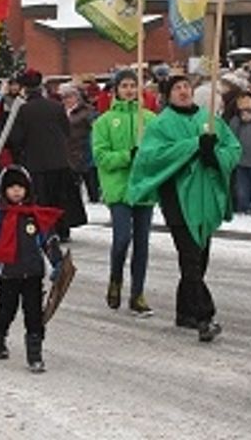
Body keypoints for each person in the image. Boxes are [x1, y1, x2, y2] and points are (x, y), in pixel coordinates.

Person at [128, 74, 240, 342]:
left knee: (199, 260)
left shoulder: (209, 119)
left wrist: (214, 155)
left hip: (206, 198)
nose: (183, 91)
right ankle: (204, 316)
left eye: (186, 87)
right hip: (177, 199)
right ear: (168, 95)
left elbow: (233, 149)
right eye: (177, 88)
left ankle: (185, 312)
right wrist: (193, 146)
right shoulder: (161, 123)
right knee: (190, 259)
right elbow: (152, 157)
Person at [0, 165, 64, 373]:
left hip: (33, 272)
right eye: (11, 187)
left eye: (21, 187)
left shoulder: (35, 215)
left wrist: (57, 262)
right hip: (9, 273)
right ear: (3, 191)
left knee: (34, 312)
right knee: (7, 309)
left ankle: (35, 353)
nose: (16, 191)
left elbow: (48, 240)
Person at [91, 69, 156, 316]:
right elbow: (100, 156)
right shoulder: (104, 121)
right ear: (116, 90)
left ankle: (137, 293)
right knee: (122, 239)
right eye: (124, 86)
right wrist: (127, 156)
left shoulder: (149, 119)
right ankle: (115, 278)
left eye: (133, 85)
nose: (129, 90)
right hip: (118, 188)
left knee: (142, 243)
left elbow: (159, 151)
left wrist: (147, 158)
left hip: (144, 188)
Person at [8, 69, 86, 240]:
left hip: (36, 162)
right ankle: (63, 229)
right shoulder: (56, 106)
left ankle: (47, 231)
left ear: (25, 89)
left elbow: (16, 138)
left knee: (42, 200)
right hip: (59, 160)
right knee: (59, 198)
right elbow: (66, 131)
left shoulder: (23, 111)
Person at [61, 83, 100, 203]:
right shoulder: (60, 111)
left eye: (70, 97)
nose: (67, 100)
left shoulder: (87, 111)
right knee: (72, 187)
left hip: (83, 151)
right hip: (67, 152)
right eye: (65, 97)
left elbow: (97, 127)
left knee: (90, 183)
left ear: (77, 97)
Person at [230, 91, 251, 215]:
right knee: (242, 188)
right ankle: (242, 207)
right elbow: (232, 135)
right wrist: (239, 120)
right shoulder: (236, 120)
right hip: (242, 160)